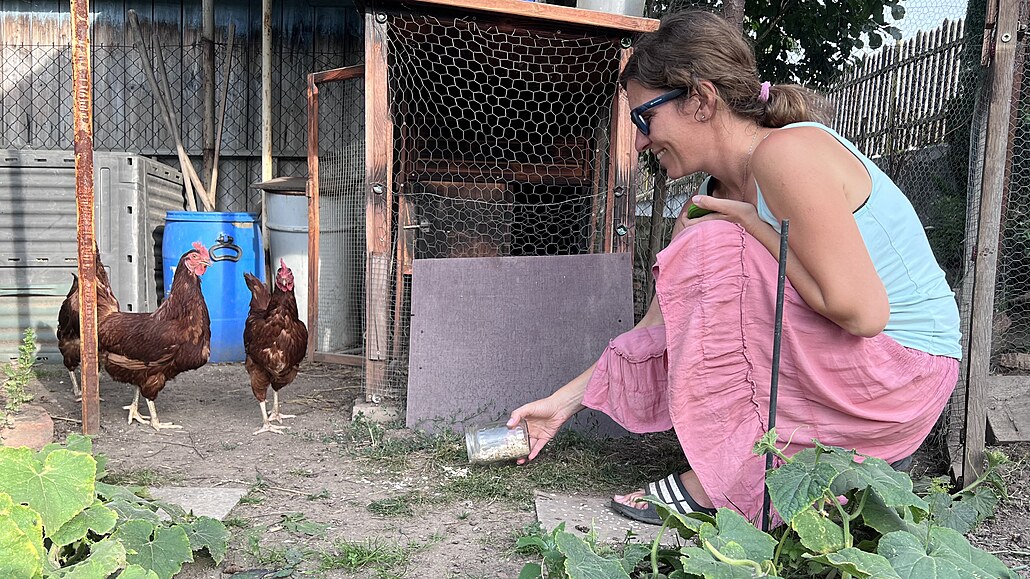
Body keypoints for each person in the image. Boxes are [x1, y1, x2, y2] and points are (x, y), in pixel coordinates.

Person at [508, 9, 961, 525]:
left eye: (644, 117)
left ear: (701, 100)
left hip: (901, 377)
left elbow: (863, 315)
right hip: (857, 371)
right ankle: (796, 465)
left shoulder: (786, 155)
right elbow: (658, 325)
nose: (637, 141)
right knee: (708, 237)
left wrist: (753, 225)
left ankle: (728, 481)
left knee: (714, 243)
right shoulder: (714, 198)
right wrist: (561, 406)